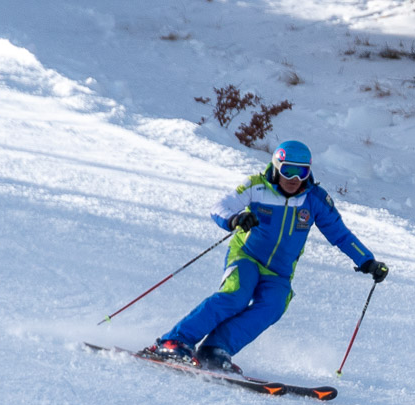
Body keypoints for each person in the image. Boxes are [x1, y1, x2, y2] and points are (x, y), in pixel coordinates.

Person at [146, 141, 387, 372]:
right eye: (288, 171)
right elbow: (220, 206)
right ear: (276, 166)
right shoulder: (256, 186)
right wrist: (235, 219)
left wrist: (366, 261)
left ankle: (215, 349)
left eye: (301, 172)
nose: (294, 179)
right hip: (246, 256)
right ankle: (174, 342)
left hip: (279, 271)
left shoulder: (314, 199)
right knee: (236, 295)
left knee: (274, 305)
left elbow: (341, 235)